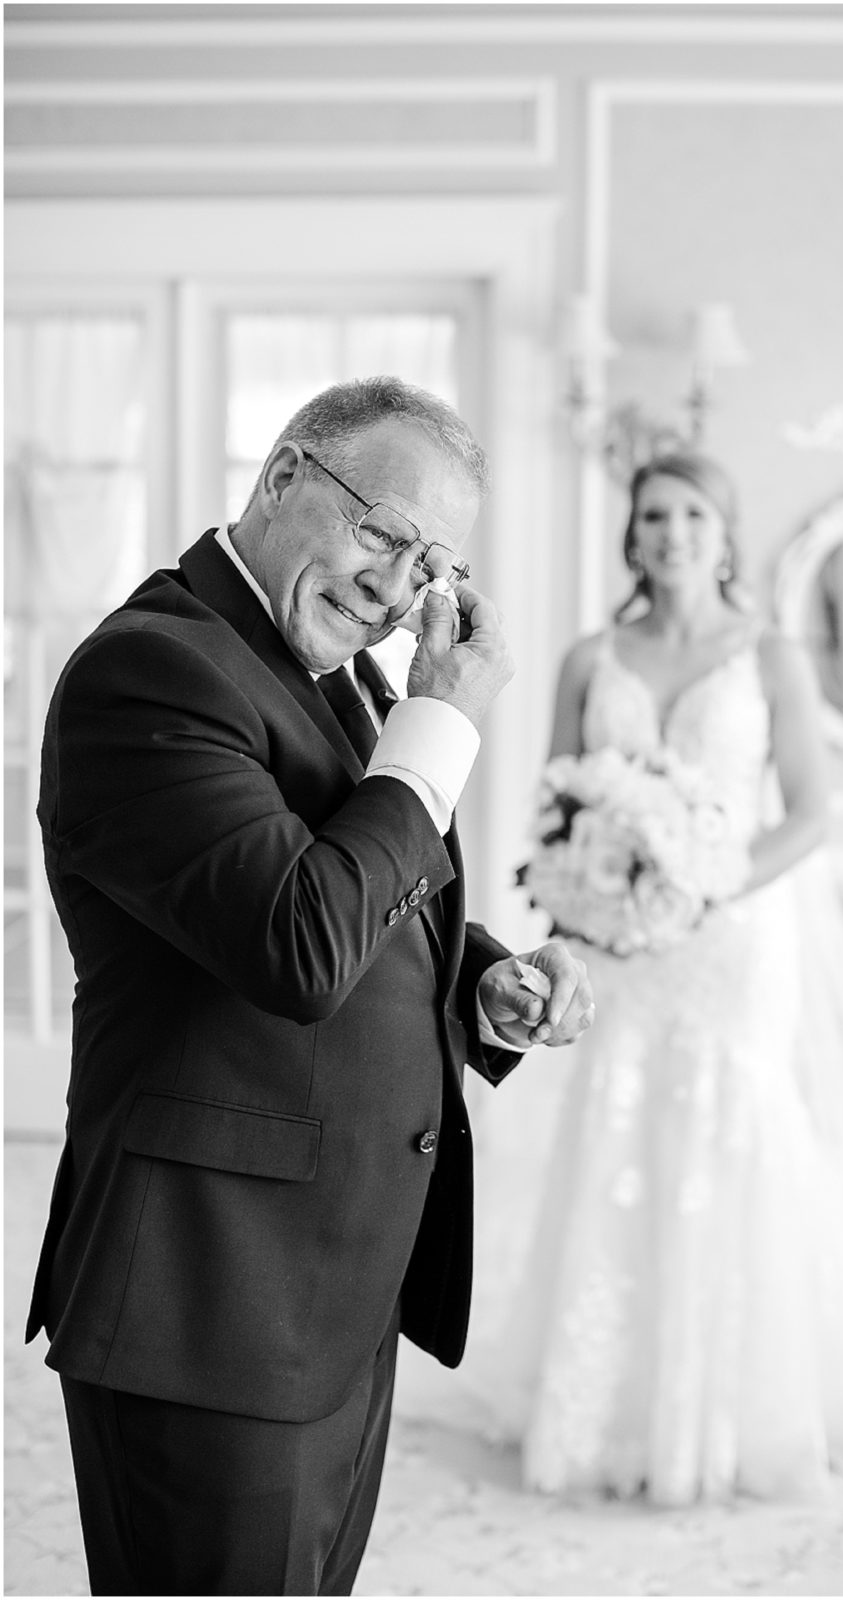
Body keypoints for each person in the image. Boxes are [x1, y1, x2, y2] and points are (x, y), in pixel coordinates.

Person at [25, 375, 595, 1596]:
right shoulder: (151, 671)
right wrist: (441, 726)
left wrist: (478, 981)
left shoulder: (329, 670)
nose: (396, 591)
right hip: (209, 1302)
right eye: (382, 534)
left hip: (329, 1284)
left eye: (428, 562)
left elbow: (337, 889)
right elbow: (295, 939)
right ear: (286, 476)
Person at [462, 449, 843, 1509]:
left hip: (730, 940)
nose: (671, 531)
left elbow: (811, 815)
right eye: (652, 514)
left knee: (730, 1130)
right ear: (631, 533)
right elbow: (554, 802)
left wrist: (702, 883)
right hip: (616, 944)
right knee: (614, 1127)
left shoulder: (770, 655)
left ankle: (729, 1408)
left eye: (692, 513)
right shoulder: (589, 657)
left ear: (723, 532)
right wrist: (582, 904)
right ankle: (605, 1399)